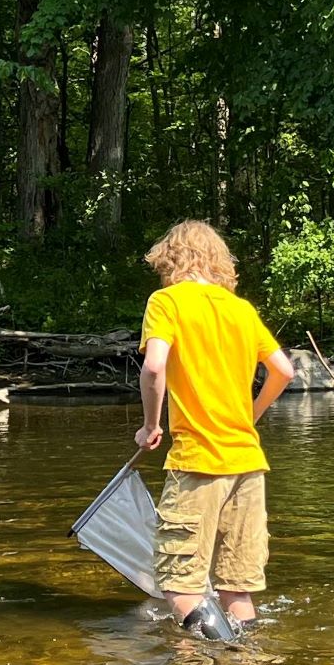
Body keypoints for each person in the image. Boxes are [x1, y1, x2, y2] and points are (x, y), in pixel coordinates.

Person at [136, 220, 297, 636]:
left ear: (170, 260)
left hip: (198, 461)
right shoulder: (241, 309)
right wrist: (251, 414)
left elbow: (154, 365)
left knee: (180, 586)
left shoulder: (166, 301)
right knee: (237, 591)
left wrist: (150, 425)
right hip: (248, 463)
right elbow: (283, 371)